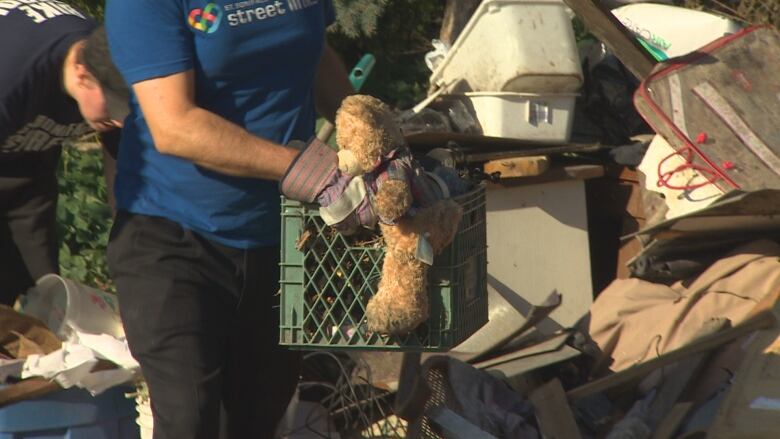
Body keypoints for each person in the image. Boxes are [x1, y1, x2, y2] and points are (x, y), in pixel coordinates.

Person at [104, 0, 353, 437]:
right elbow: (173, 126)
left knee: (259, 417)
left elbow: (315, 55)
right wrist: (299, 169)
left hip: (279, 239)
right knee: (189, 419)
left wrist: (371, 135)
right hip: (174, 235)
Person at [0, 5, 128, 307]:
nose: (120, 119)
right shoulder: (13, 77)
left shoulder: (110, 63)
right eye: (113, 106)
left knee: (41, 294)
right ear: (81, 74)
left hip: (27, 164)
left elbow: (126, 190)